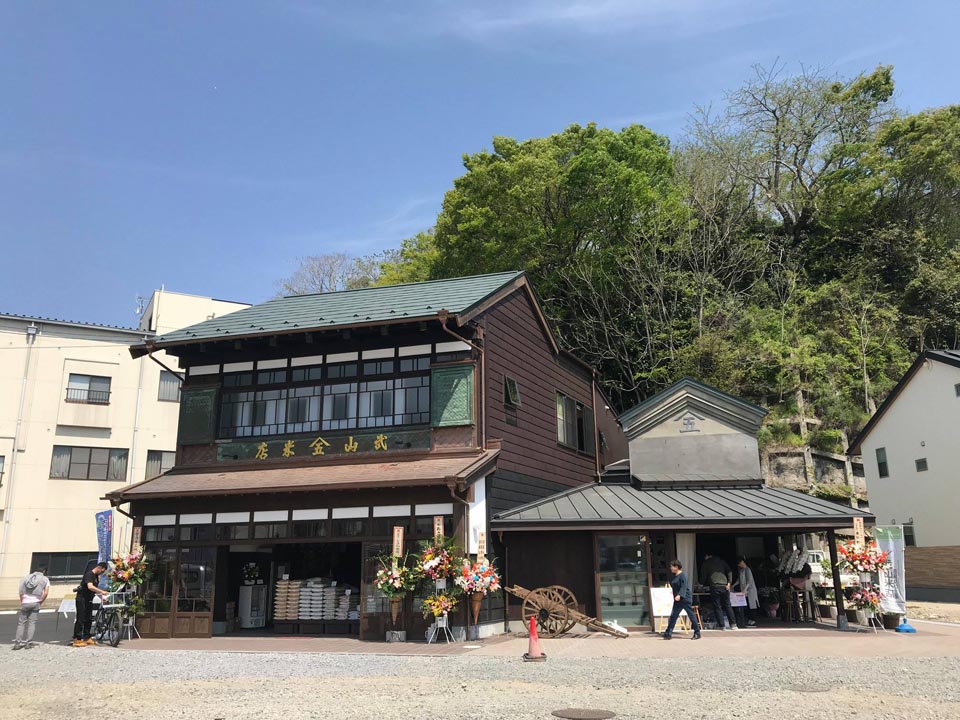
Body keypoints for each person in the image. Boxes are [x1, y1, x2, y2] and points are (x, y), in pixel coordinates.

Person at [72, 561, 109, 647]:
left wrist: (102, 598)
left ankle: (86, 637)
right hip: (82, 599)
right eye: (102, 571)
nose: (102, 573)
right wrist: (102, 592)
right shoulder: (89, 574)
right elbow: (90, 586)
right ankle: (77, 638)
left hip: (89, 599)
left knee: (88, 618)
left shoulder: (96, 577)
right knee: (80, 618)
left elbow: (95, 590)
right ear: (100, 568)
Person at [700, 552, 739, 630]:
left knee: (717, 606)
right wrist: (729, 583)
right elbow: (729, 571)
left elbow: (703, 576)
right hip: (725, 586)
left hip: (715, 586)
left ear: (707, 556)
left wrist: (701, 584)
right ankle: (733, 624)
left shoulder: (706, 563)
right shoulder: (722, 561)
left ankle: (722, 626)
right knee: (728, 605)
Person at [13, 566, 49, 650]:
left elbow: (20, 591)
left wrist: (22, 600)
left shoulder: (25, 578)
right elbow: (46, 593)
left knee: (21, 623)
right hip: (36, 601)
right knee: (32, 623)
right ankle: (28, 643)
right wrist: (40, 601)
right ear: (44, 571)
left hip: (25, 601)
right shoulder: (45, 579)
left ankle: (17, 643)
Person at [662, 560, 701, 640]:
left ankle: (697, 632)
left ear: (676, 567)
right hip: (677, 600)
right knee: (673, 616)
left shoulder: (683, 576)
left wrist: (679, 595)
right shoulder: (674, 576)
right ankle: (668, 633)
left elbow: (684, 586)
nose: (671, 568)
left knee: (691, 615)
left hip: (685, 599)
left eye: (672, 567)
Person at [735, 557, 759, 627]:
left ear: (742, 562)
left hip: (750, 590)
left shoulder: (748, 570)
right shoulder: (741, 570)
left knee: (752, 605)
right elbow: (739, 580)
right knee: (747, 605)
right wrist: (733, 585)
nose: (739, 565)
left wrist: (745, 589)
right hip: (744, 591)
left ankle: (753, 620)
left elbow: (749, 581)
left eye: (740, 564)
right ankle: (750, 619)